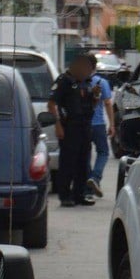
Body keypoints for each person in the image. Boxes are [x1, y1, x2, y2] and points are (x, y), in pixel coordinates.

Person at [48, 55, 101, 207]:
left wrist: (96, 94)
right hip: (69, 127)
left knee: (83, 163)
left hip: (85, 126)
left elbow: (92, 104)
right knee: (68, 163)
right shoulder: (64, 81)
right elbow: (52, 104)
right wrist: (57, 125)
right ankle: (65, 196)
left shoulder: (87, 83)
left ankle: (79, 194)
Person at [86, 57, 115, 198]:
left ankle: (87, 187)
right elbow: (108, 103)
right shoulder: (101, 82)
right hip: (98, 124)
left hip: (83, 125)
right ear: (95, 67)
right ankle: (95, 178)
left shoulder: (79, 82)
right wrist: (112, 124)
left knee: (84, 154)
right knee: (103, 152)